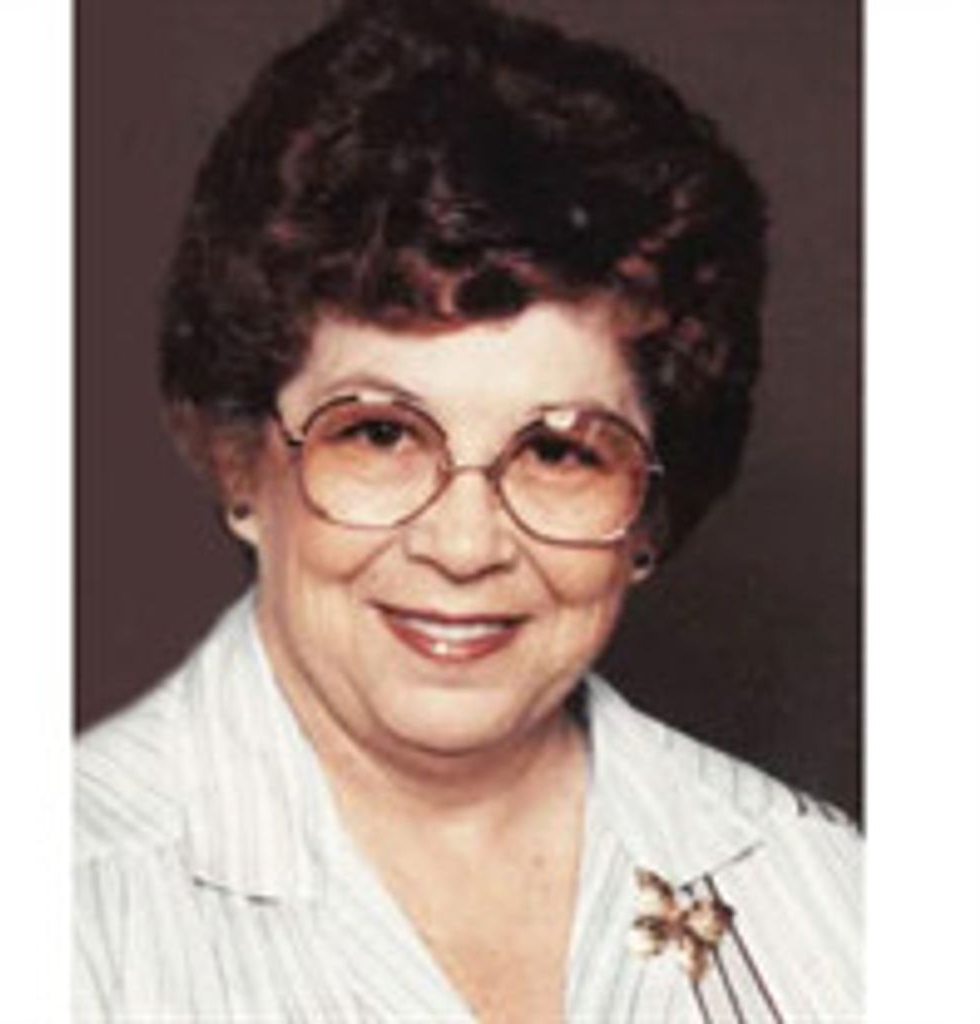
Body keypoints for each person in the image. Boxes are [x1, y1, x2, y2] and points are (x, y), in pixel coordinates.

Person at [74, 0, 861, 1020]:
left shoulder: (837, 899)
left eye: (559, 452)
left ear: (649, 516)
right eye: (379, 435)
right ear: (239, 463)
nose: (464, 545)